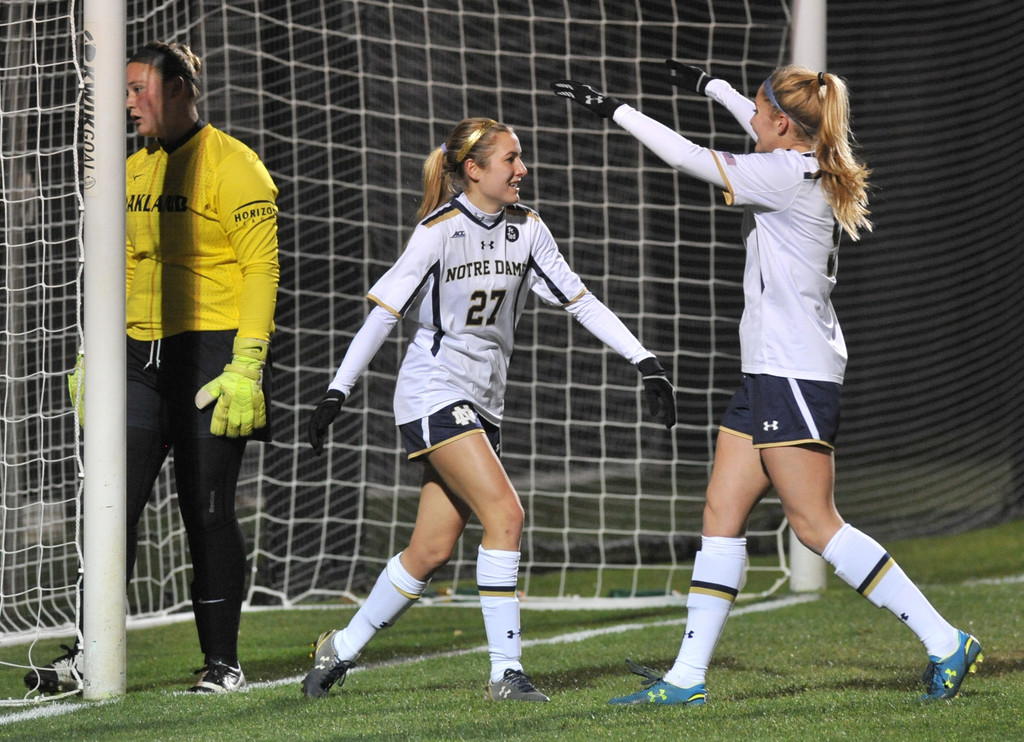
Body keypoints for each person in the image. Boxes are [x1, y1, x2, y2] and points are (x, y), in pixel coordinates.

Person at [552, 61, 982, 705]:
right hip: (769, 371)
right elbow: (760, 123)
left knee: (815, 524)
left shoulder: (782, 175)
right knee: (721, 513)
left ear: (782, 124)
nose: (752, 120)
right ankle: (686, 678)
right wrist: (712, 87)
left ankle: (945, 640)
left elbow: (688, 156)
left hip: (794, 372)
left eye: (760, 111)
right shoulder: (801, 159)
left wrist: (613, 110)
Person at [303, 117, 677, 702]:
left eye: (520, 157)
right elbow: (383, 316)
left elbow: (580, 300)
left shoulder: (528, 228)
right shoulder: (437, 232)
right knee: (506, 514)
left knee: (430, 550)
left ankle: (340, 649)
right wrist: (337, 390)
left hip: (483, 403)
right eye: (510, 159)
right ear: (473, 170)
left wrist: (644, 360)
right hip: (432, 392)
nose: (522, 169)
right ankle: (506, 674)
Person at [24, 41, 279, 695]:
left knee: (206, 511)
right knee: (108, 505)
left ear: (180, 89)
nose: (129, 103)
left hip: (211, 357)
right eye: (124, 91)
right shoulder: (130, 171)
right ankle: (92, 653)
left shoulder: (235, 166)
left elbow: (260, 270)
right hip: (138, 358)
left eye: (140, 89)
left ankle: (223, 663)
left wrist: (247, 364)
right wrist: (92, 353)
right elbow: (119, 267)